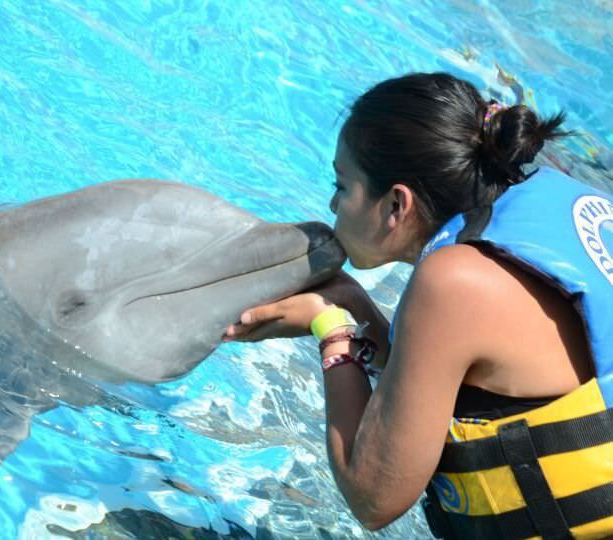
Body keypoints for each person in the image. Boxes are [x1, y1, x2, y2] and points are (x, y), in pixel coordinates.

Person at [223, 72, 613, 539]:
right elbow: (465, 375)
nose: (332, 204)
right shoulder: (563, 207)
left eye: (342, 186)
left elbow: (373, 497)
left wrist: (331, 329)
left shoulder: (454, 280)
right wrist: (352, 305)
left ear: (396, 205)